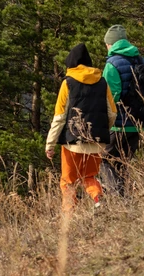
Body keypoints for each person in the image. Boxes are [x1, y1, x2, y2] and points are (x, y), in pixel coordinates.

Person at [45, 43, 117, 211]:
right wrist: (101, 130)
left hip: (73, 144)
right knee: (89, 176)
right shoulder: (102, 81)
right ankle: (99, 200)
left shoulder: (68, 82)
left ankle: (69, 216)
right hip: (97, 141)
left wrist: (50, 144)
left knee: (68, 181)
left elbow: (60, 116)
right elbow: (112, 113)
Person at [102, 24, 144, 196]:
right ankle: (124, 200)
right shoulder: (142, 61)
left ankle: (120, 199)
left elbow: (109, 97)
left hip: (118, 124)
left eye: (107, 43)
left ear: (111, 44)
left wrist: (102, 122)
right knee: (123, 164)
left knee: (103, 160)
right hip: (138, 123)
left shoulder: (112, 64)